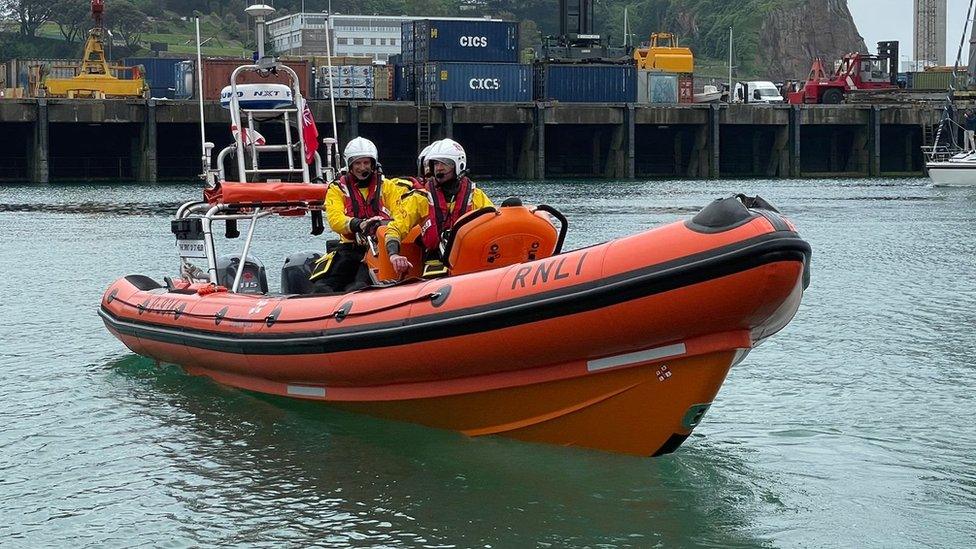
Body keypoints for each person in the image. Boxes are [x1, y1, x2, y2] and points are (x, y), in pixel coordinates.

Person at [310, 137, 413, 293]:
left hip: (379, 249)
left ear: (373, 163)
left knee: (360, 287)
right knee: (322, 288)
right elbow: (335, 219)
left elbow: (400, 215)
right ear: (350, 165)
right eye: (357, 163)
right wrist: (358, 224)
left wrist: (381, 225)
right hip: (349, 249)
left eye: (366, 163)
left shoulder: (387, 187)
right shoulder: (337, 189)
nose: (362, 167)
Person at [384, 138, 493, 277]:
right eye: (435, 164)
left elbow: (493, 221)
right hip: (435, 262)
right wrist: (394, 254)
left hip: (469, 260)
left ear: (458, 165)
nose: (439, 168)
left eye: (444, 163)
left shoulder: (475, 196)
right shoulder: (420, 198)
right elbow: (396, 227)